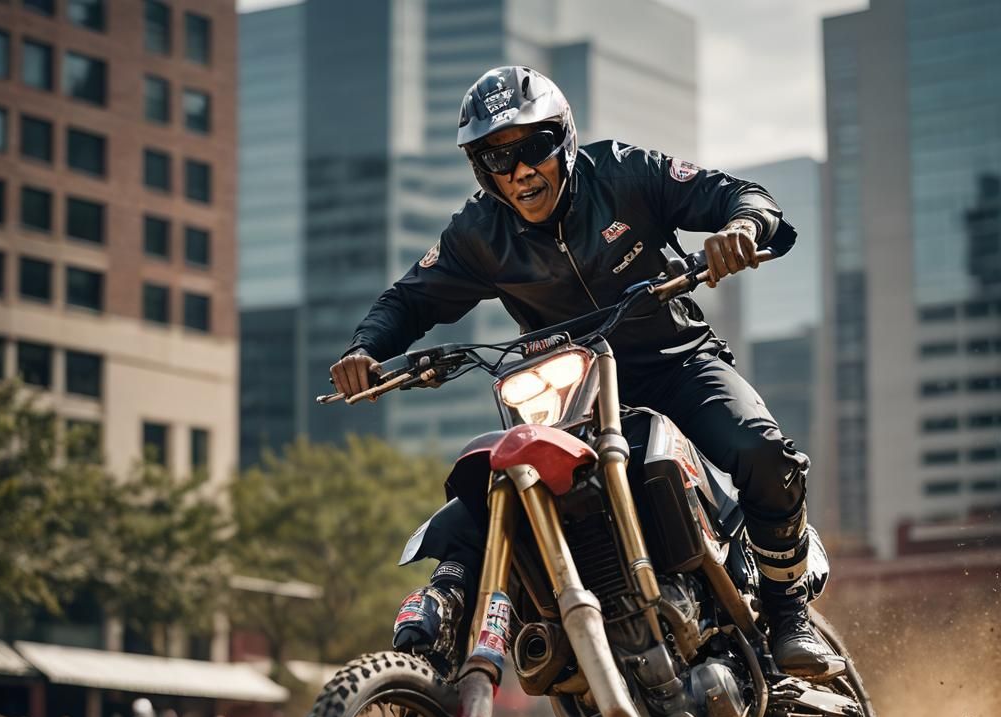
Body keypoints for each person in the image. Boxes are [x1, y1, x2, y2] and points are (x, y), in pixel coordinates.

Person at [331, 66, 839, 679]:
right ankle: (450, 630)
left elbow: (739, 195)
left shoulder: (625, 173)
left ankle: (788, 614)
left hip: (677, 365)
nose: (520, 171)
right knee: (496, 485)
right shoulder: (478, 234)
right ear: (481, 169)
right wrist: (365, 349)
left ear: (564, 138)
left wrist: (741, 228)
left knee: (760, 449)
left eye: (533, 147)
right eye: (497, 158)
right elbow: (408, 299)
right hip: (572, 397)